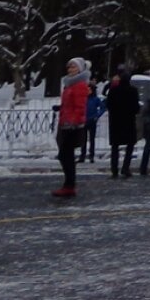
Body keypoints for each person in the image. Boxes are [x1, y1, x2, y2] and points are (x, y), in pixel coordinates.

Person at [53, 58, 91, 199]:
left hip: (72, 126)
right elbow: (69, 105)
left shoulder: (79, 85)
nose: (70, 70)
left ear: (80, 69)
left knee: (65, 155)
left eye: (73, 67)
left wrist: (74, 122)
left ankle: (69, 185)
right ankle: (69, 184)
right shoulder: (69, 85)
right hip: (66, 123)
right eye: (69, 67)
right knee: (65, 155)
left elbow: (80, 107)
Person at [106, 69, 140, 177]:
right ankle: (126, 168)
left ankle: (114, 169)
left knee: (115, 147)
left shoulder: (113, 90)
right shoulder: (133, 91)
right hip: (128, 121)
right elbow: (136, 107)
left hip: (115, 122)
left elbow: (108, 104)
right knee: (130, 145)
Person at [84, 79, 105, 161]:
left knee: (92, 139)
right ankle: (83, 154)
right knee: (84, 139)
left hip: (92, 120)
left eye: (89, 90)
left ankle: (91, 155)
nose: (88, 91)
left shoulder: (95, 99)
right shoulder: (84, 98)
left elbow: (103, 107)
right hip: (84, 120)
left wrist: (97, 115)